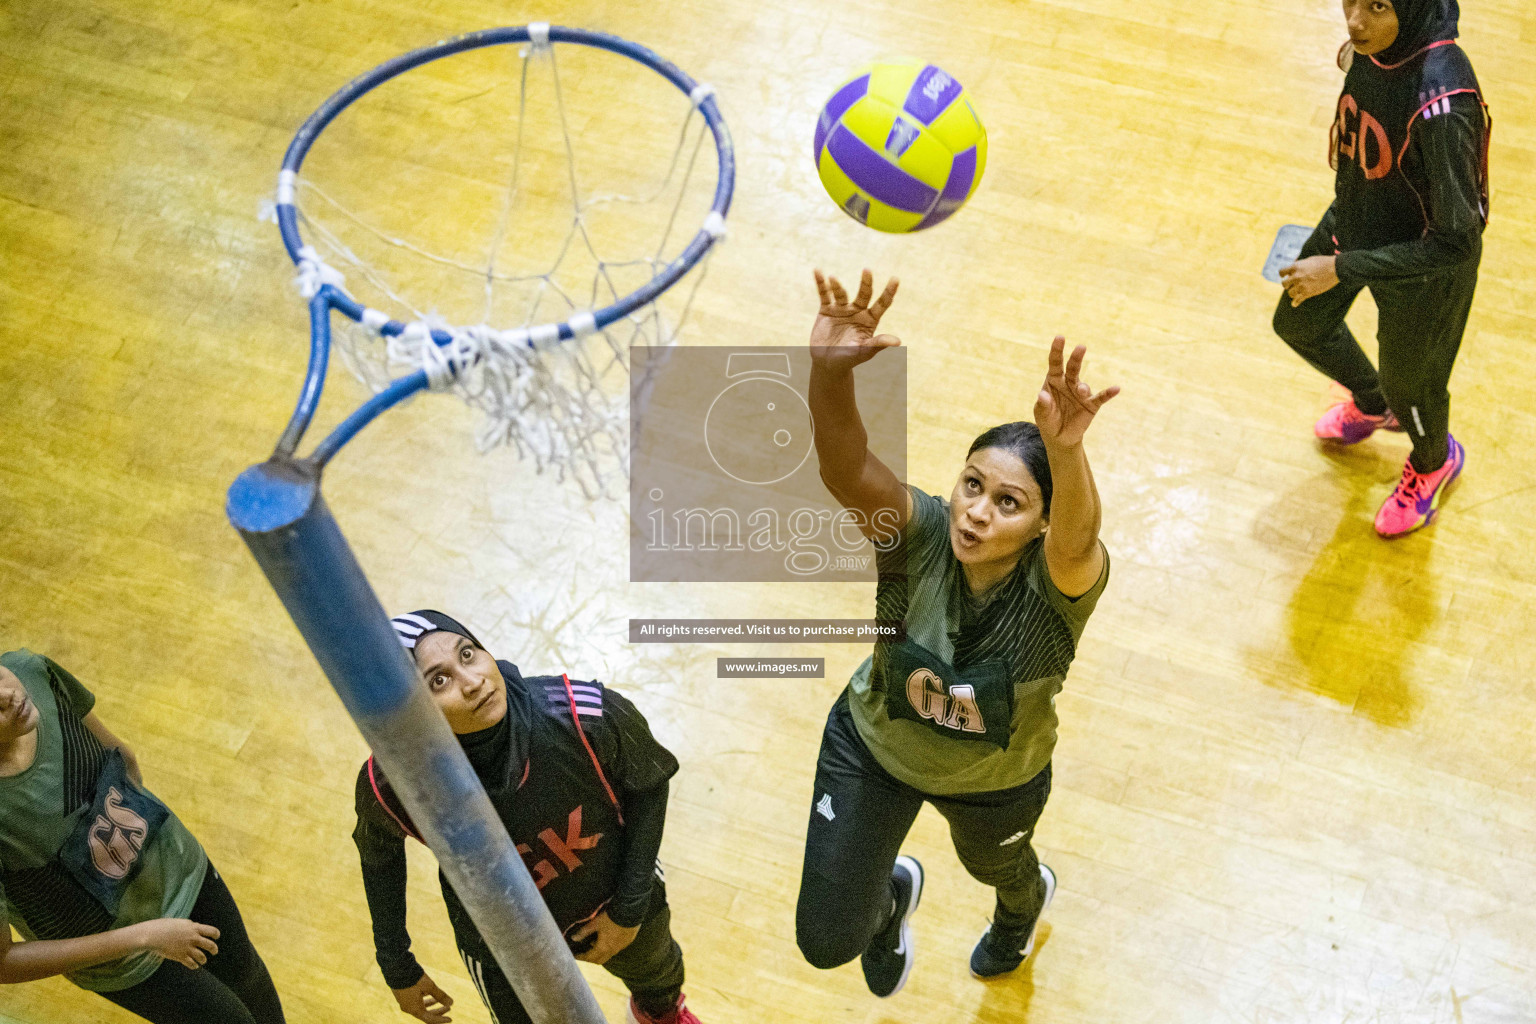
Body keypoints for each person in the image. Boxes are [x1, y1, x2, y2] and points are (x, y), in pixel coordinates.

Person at [793, 269, 1117, 995]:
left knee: (998, 871)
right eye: (973, 485)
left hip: (996, 783)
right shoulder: (918, 534)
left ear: (1039, 525)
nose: (977, 512)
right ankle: (887, 905)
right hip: (872, 747)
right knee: (823, 942)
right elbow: (844, 466)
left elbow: (1079, 538)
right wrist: (827, 376)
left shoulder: (1056, 586)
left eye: (1009, 503)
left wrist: (1064, 451)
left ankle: (1019, 913)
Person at [353, 610, 701, 1024]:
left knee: (659, 978)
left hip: (613, 890)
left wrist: (628, 909)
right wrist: (397, 963)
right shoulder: (395, 782)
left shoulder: (582, 713)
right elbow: (379, 856)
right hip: (505, 941)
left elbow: (649, 784)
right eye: (439, 680)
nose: (473, 682)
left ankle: (658, 1015)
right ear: (410, 708)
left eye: (468, 654)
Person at [1273, 0, 1489, 537]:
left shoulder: (1445, 105)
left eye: (1377, 6)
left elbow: (1457, 242)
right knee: (1298, 322)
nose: (1355, 21)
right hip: (1358, 216)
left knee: (1414, 388)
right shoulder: (1377, 46)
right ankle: (1374, 405)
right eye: (1351, 0)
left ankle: (1434, 460)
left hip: (1425, 269)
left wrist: (1342, 268)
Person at [0, 649, 285, 1024]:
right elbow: (4, 963)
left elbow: (120, 755)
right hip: (126, 960)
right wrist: (144, 936)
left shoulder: (33, 672)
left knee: (248, 978)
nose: (7, 696)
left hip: (186, 872)